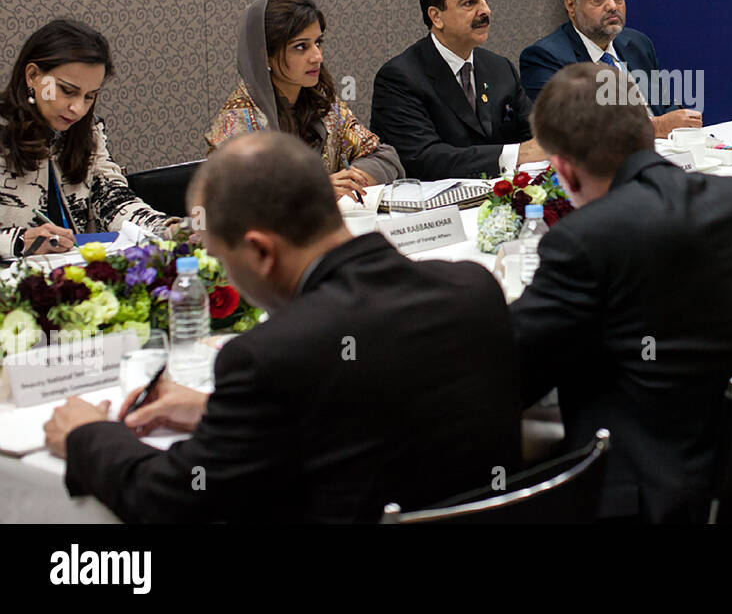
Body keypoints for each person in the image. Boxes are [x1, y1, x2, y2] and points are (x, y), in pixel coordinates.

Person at [45, 131, 522, 523]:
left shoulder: (269, 356)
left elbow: (171, 502)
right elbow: (369, 407)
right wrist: (223, 411)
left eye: (222, 259)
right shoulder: (473, 289)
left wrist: (88, 435)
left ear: (259, 251)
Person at [509, 63, 732, 523]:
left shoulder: (586, 240)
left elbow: (513, 376)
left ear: (564, 172)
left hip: (656, 499)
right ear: (647, 135)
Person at [0, 20, 179, 260]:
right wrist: (19, 241)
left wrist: (167, 228)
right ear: (33, 76)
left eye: (89, 96)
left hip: (73, 274)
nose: (78, 109)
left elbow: (112, 200)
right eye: (67, 91)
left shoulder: (88, 131)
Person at [205, 0, 403, 201]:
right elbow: (233, 202)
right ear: (265, 55)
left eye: (318, 43)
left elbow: (383, 156)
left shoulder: (322, 101)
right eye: (301, 47)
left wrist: (353, 180)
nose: (317, 56)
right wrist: (315, 191)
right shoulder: (238, 121)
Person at [371, 0, 545, 179]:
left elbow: (535, 136)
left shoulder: (500, 68)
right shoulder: (399, 78)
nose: (485, 11)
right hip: (437, 208)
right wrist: (513, 155)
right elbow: (423, 158)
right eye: (470, 3)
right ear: (436, 16)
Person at [519, 0, 702, 135]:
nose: (612, 6)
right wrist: (654, 126)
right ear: (571, 5)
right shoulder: (545, 57)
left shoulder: (638, 44)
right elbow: (569, 130)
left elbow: (664, 106)